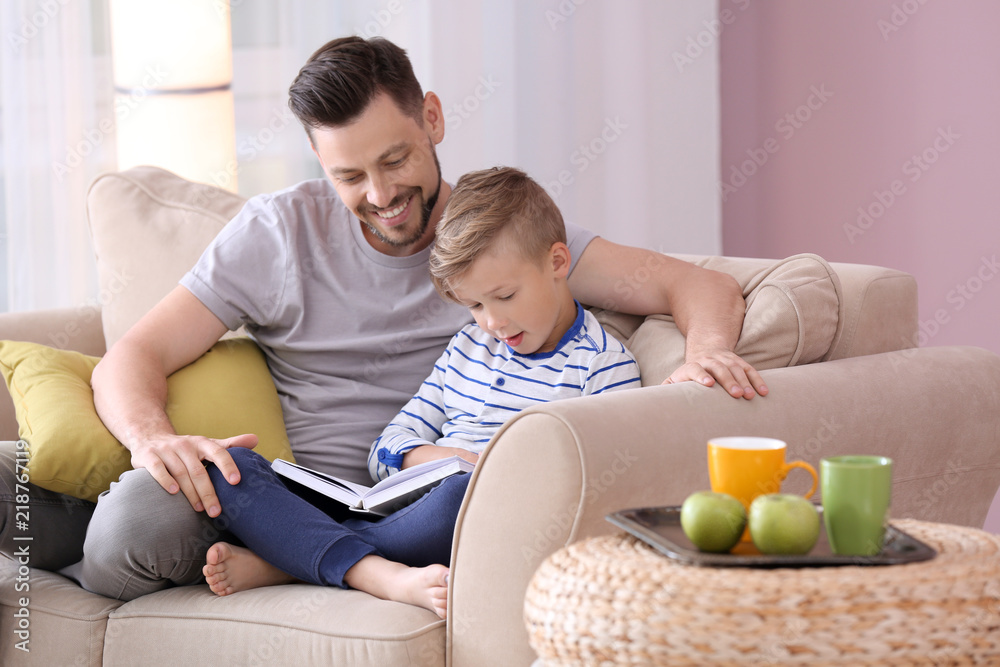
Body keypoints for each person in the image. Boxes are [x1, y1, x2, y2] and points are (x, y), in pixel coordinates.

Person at [0, 35, 765, 601]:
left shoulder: (496, 242)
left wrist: (701, 363)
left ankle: (61, 533)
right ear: (317, 164)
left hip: (399, 513)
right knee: (97, 489)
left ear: (432, 118)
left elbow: (697, 287)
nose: (380, 194)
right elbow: (132, 354)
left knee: (128, 521)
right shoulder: (277, 235)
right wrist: (155, 441)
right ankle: (52, 517)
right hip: (273, 493)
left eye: (394, 160)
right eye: (349, 176)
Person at [197, 166, 641, 618]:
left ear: (558, 262)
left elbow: (599, 495)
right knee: (229, 467)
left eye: (505, 296)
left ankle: (300, 556)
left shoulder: (603, 368)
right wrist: (446, 459)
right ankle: (338, 560)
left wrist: (485, 472)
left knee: (459, 496)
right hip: (398, 508)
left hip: (473, 516)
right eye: (473, 305)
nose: (492, 322)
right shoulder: (467, 348)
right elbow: (384, 449)